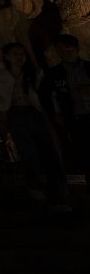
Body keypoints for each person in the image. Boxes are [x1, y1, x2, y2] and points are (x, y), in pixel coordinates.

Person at [0, 43, 68, 205]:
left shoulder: (35, 73)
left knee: (49, 149)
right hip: (15, 112)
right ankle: (37, 188)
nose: (20, 57)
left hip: (36, 112)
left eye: (22, 54)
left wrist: (55, 111)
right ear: (6, 56)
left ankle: (59, 189)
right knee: (27, 151)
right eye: (15, 54)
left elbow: (48, 94)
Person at [42, 34, 90, 176]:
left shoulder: (88, 67)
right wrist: (56, 114)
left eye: (69, 50)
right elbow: (48, 96)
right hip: (75, 118)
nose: (65, 54)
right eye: (61, 51)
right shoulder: (53, 74)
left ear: (77, 49)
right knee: (84, 152)